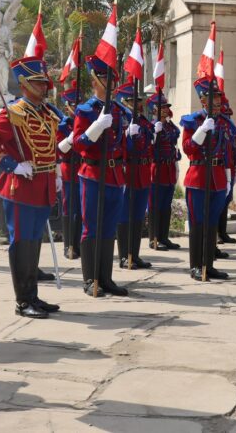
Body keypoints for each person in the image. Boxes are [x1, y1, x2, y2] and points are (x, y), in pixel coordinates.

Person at [0, 55, 67, 314]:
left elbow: (52, 147)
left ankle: (33, 296)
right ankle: (23, 301)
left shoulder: (47, 114)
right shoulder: (14, 113)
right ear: (24, 84)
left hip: (43, 185)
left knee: (33, 242)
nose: (44, 87)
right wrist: (12, 165)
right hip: (21, 186)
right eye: (38, 83)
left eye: (44, 82)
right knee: (21, 243)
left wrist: (57, 171)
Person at [57, 56, 128, 297]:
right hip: (92, 173)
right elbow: (77, 143)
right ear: (96, 80)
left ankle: (105, 278)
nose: (110, 82)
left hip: (115, 174)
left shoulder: (119, 111)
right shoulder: (85, 110)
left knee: (109, 228)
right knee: (91, 227)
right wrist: (96, 127)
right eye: (106, 78)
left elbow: (123, 145)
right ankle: (90, 279)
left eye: (112, 78)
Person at [181, 77, 234, 280]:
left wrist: (228, 178)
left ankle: (208, 265)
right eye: (214, 99)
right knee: (198, 223)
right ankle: (196, 266)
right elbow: (188, 149)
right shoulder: (192, 121)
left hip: (218, 178)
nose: (219, 102)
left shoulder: (224, 123)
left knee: (212, 223)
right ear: (203, 101)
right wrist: (202, 131)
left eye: (219, 98)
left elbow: (227, 152)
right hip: (198, 177)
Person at [115, 82, 154, 269]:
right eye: (133, 101)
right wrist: (127, 135)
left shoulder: (144, 122)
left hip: (143, 173)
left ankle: (135, 255)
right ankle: (124, 256)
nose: (138, 104)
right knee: (124, 215)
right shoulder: (122, 121)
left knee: (138, 215)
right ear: (124, 101)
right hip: (128, 171)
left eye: (139, 101)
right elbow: (121, 148)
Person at [148, 91, 181, 251]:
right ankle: (154, 239)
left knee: (166, 205)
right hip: (157, 168)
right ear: (155, 109)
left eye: (167, 107)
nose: (166, 110)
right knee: (155, 205)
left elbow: (175, 138)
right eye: (162, 107)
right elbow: (149, 145)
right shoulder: (151, 126)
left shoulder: (169, 125)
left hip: (168, 168)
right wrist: (154, 131)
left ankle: (164, 237)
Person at [57, 84, 83, 259]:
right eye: (72, 105)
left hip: (82, 168)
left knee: (81, 208)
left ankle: (80, 244)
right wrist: (70, 137)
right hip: (69, 168)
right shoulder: (63, 125)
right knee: (69, 207)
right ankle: (69, 245)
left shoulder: (85, 121)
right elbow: (60, 149)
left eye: (77, 104)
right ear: (67, 106)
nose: (75, 108)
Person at [217, 97, 236, 244]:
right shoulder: (219, 128)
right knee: (218, 203)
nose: (228, 118)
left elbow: (234, 150)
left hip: (229, 170)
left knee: (225, 202)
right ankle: (216, 235)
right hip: (219, 170)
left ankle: (223, 231)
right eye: (226, 115)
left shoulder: (231, 131)